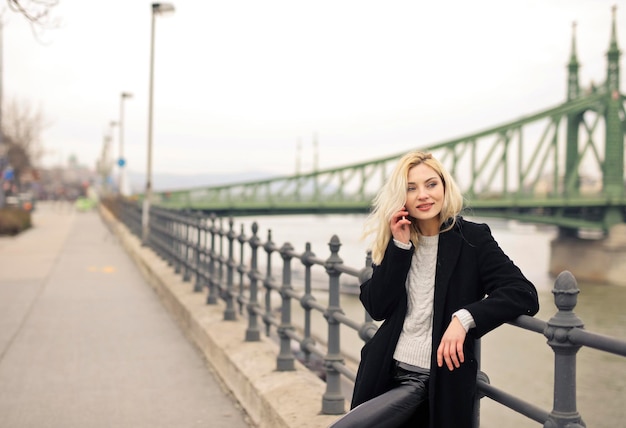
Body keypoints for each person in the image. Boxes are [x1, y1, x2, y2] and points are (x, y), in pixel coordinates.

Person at [329, 151, 539, 428]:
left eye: (431, 184)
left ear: (444, 187)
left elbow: (523, 293)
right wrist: (400, 248)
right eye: (411, 188)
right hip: (385, 369)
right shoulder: (399, 241)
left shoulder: (472, 239)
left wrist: (464, 319)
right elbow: (376, 307)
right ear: (401, 198)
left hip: (432, 378)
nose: (423, 195)